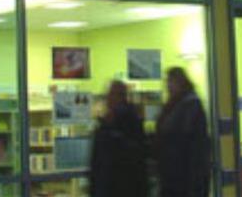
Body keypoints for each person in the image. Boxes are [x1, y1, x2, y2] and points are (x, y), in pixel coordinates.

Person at [155, 67, 210, 197]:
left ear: (180, 82)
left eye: (170, 81)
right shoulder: (176, 105)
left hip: (183, 178)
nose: (168, 85)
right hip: (174, 177)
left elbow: (187, 143)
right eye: (167, 81)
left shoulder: (189, 105)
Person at [89, 81, 149, 197]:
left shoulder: (122, 124)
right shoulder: (114, 122)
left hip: (118, 188)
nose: (108, 99)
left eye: (111, 95)